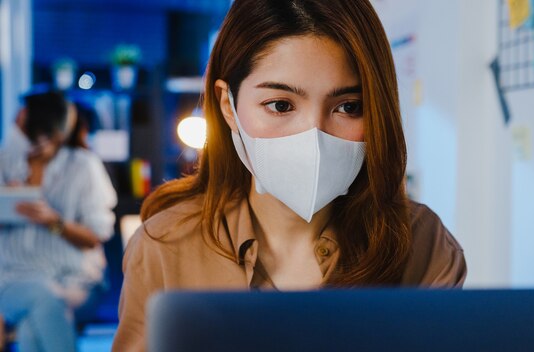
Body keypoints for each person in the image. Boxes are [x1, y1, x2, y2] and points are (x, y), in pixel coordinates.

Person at [113, 0, 466, 350]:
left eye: (348, 107)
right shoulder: (165, 247)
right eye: (281, 105)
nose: (313, 135)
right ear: (228, 107)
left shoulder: (420, 243)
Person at [0, 91, 117, 352]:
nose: (15, 122)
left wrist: (55, 222)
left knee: (35, 320)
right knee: (46, 298)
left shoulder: (83, 166)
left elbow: (95, 236)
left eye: (21, 117)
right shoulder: (4, 163)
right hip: (11, 280)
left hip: (75, 279)